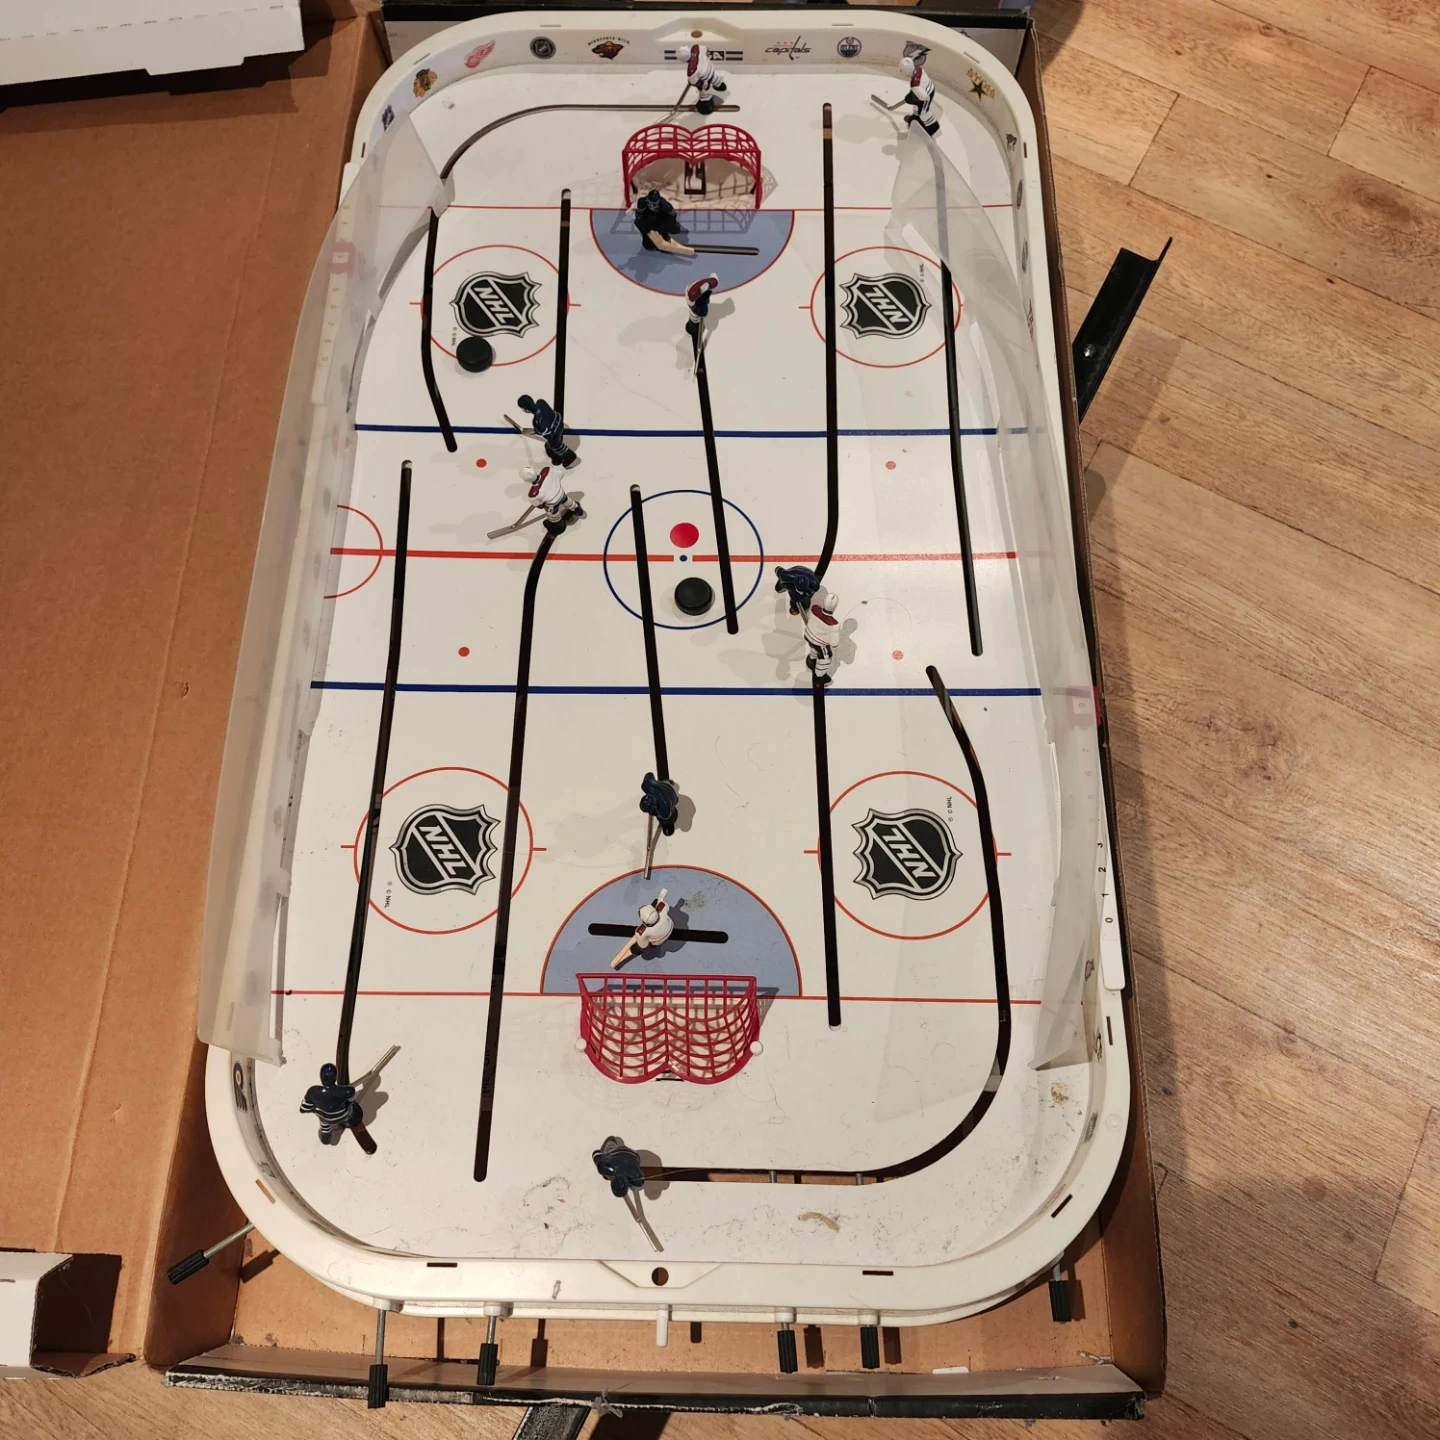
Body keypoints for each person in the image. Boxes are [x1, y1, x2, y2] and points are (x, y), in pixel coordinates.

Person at [299, 1063, 362, 1143]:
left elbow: (304, 1108)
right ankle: (349, 1120)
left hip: (325, 1118)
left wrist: (314, 1109)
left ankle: (326, 1138)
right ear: (335, 1077)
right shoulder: (348, 1091)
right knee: (350, 1110)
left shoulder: (313, 1092)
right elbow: (351, 1102)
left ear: (321, 1077)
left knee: (325, 1126)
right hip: (342, 1115)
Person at [517, 393, 577, 468]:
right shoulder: (540, 402)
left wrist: (536, 430)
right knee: (550, 442)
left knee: (552, 445)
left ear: (526, 410)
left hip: (554, 433)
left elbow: (542, 432)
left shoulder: (536, 422)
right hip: (559, 420)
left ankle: (568, 456)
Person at [634, 188, 695, 256]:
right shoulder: (642, 202)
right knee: (648, 245)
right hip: (649, 220)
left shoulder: (665, 205)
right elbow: (638, 215)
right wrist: (645, 225)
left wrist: (669, 226)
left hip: (661, 219)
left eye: (655, 203)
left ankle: (664, 234)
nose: (653, 206)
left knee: (674, 229)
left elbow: (673, 215)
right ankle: (648, 237)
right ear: (647, 200)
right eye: (651, 203)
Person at [524, 464, 584, 533]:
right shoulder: (547, 471)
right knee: (567, 501)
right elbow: (560, 474)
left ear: (526, 480)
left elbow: (539, 505)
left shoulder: (533, 493)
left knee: (553, 515)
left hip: (552, 504)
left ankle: (558, 526)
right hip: (561, 494)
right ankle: (577, 509)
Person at [803, 588, 841, 685]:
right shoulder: (834, 625)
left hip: (808, 634)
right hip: (819, 642)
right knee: (826, 657)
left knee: (813, 648)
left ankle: (812, 660)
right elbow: (834, 643)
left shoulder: (814, 608)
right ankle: (819, 677)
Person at [899, 54, 939, 136]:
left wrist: (913, 100)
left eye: (901, 70)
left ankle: (933, 127)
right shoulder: (918, 69)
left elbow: (924, 97)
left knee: (923, 112)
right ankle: (915, 119)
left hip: (927, 95)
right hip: (928, 88)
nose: (900, 71)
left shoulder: (914, 84)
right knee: (916, 108)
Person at [687, 44, 728, 115]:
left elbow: (694, 81)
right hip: (710, 70)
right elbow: (706, 49)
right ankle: (720, 84)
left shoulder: (692, 69)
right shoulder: (697, 48)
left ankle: (706, 105)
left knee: (704, 92)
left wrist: (701, 85)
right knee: (713, 78)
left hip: (705, 77)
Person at [685, 274, 720, 347]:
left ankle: (694, 325)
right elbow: (693, 305)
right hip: (691, 296)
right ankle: (693, 326)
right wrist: (698, 310)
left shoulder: (709, 284)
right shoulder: (691, 299)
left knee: (699, 313)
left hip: (697, 294)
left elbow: (713, 280)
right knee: (695, 316)